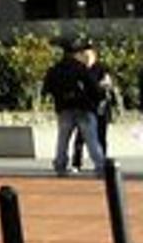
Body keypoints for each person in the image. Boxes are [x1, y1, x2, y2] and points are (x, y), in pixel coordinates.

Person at [45, 39, 107, 176]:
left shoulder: (55, 69)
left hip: (63, 108)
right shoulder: (80, 68)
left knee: (63, 139)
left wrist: (59, 97)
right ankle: (100, 166)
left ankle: (60, 165)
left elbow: (47, 88)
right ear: (75, 53)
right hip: (83, 107)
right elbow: (93, 87)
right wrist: (97, 98)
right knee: (92, 140)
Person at [69, 45, 119, 172]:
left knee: (101, 136)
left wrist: (100, 86)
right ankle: (76, 163)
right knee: (80, 137)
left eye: (88, 56)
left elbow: (107, 84)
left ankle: (102, 163)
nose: (85, 58)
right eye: (83, 56)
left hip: (100, 108)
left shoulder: (102, 68)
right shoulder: (79, 70)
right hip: (84, 108)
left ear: (94, 56)